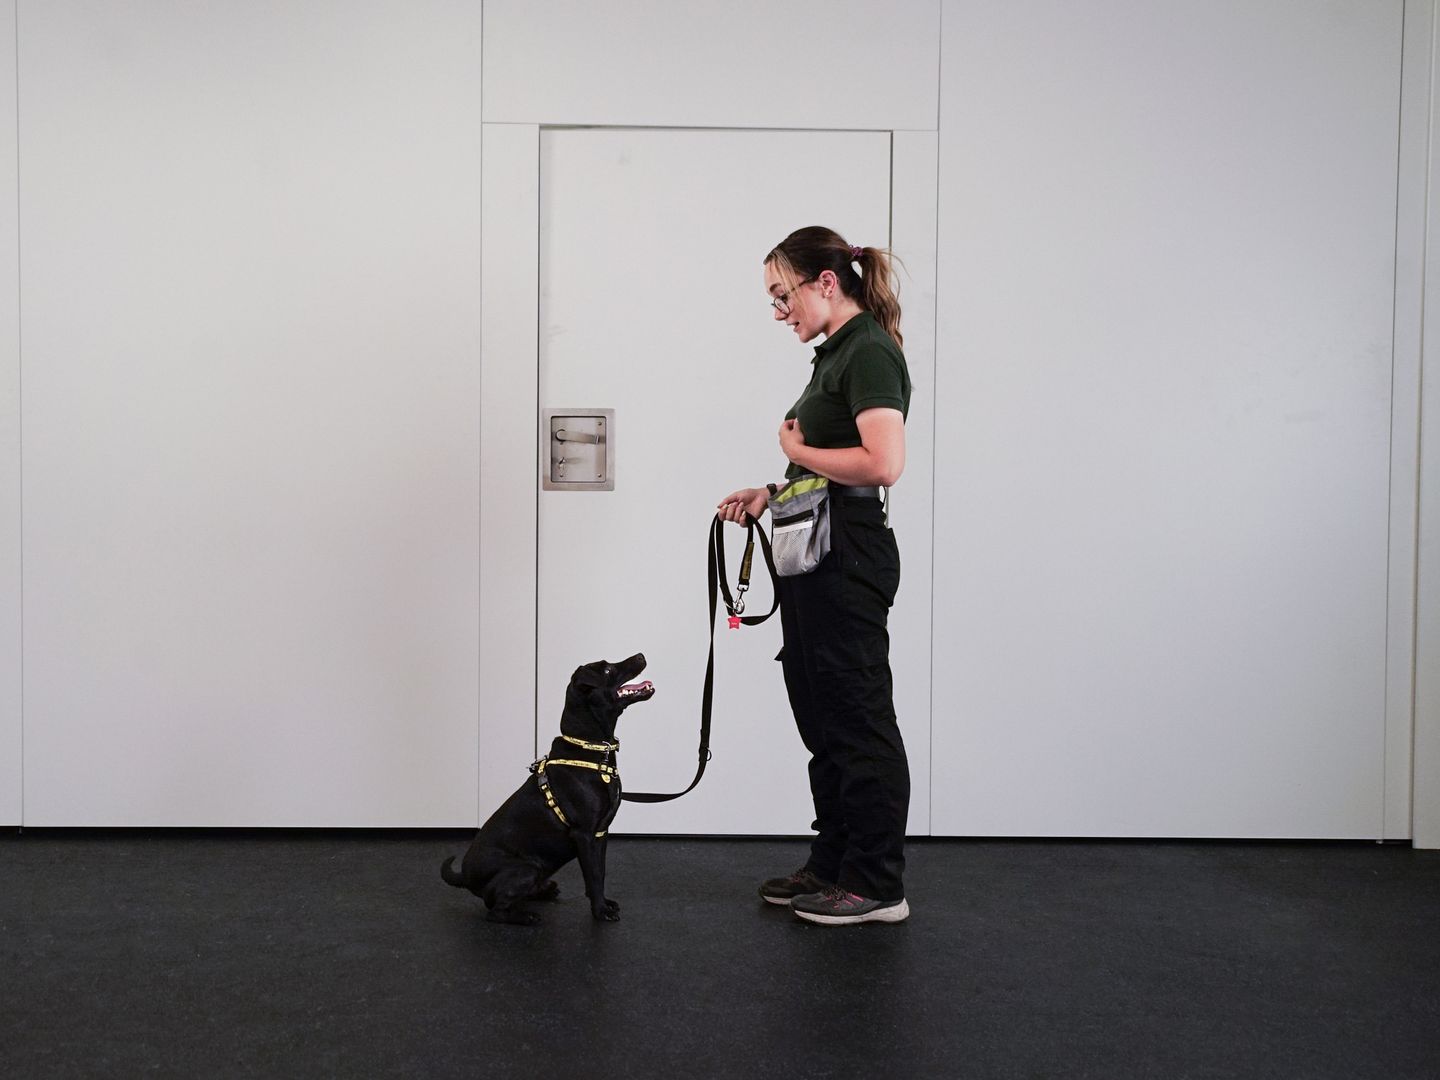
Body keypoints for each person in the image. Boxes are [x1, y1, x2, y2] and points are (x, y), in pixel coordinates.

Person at [717, 225, 912, 926]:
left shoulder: (870, 353)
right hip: (815, 543)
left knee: (857, 716)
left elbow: (883, 465)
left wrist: (794, 445)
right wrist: (776, 487)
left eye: (782, 295)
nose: (780, 313)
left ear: (825, 283)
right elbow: (831, 463)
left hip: (848, 552)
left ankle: (876, 884)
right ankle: (833, 864)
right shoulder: (834, 356)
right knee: (822, 714)